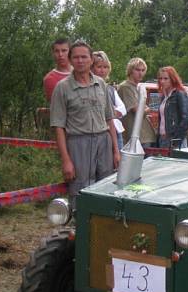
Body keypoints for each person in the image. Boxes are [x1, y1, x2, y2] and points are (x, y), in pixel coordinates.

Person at [50, 41, 119, 208]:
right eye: (76, 57)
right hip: (78, 142)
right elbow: (58, 126)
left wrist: (116, 151)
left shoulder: (101, 84)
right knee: (80, 188)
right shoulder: (62, 88)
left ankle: (104, 226)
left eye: (84, 57)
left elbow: (110, 118)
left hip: (104, 141)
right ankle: (80, 228)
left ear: (91, 60)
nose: (80, 61)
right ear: (71, 60)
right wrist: (66, 160)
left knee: (106, 186)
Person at [91, 51, 127, 151]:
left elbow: (123, 109)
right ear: (92, 68)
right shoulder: (90, 88)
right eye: (99, 67)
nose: (102, 70)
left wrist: (108, 113)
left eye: (105, 67)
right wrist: (112, 112)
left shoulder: (111, 89)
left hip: (116, 130)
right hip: (100, 132)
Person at [117, 57, 157, 148]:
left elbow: (142, 108)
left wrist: (145, 108)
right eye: (137, 70)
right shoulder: (125, 87)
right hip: (135, 136)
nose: (140, 73)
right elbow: (137, 111)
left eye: (143, 70)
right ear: (130, 70)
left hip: (144, 135)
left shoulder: (138, 87)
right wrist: (148, 109)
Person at [156, 66, 188, 149]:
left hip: (174, 139)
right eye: (160, 78)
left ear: (172, 79)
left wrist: (176, 140)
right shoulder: (163, 96)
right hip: (163, 138)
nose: (162, 81)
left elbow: (186, 119)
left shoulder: (179, 94)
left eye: (166, 78)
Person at [43, 38, 72, 103]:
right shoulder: (50, 79)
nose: (60, 54)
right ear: (53, 53)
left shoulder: (80, 72)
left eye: (64, 50)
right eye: (57, 51)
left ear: (70, 52)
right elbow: (56, 107)